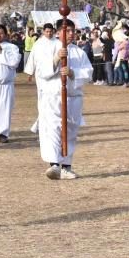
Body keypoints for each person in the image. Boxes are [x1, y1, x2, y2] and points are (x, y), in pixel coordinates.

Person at [33, 19, 92, 180]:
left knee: (70, 130)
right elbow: (42, 71)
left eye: (73, 31)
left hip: (72, 97)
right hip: (53, 96)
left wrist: (73, 73)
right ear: (58, 32)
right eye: (67, 31)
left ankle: (66, 166)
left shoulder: (79, 52)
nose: (71, 34)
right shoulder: (48, 48)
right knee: (53, 128)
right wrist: (56, 59)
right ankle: (54, 164)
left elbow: (88, 72)